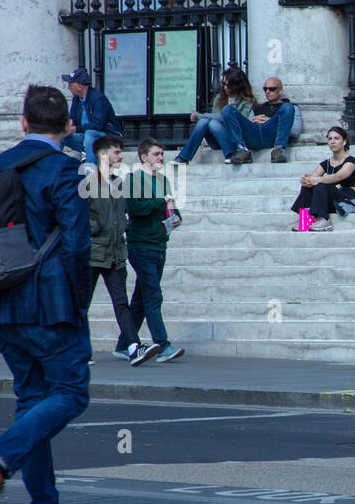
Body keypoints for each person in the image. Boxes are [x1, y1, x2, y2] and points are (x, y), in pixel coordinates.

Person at [0, 85, 91, 504]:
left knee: (33, 400)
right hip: (50, 303)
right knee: (72, 393)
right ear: (69, 126)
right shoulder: (65, 169)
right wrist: (79, 299)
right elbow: (77, 243)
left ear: (22, 123)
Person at [81, 135, 161, 366]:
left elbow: (127, 211)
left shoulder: (119, 184)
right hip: (93, 254)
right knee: (82, 304)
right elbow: (77, 217)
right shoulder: (87, 185)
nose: (121, 156)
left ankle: (134, 347)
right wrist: (94, 228)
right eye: (116, 152)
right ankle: (81, 350)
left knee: (121, 303)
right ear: (103, 155)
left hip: (116, 253)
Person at [122, 137, 184, 362]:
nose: (161, 157)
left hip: (159, 243)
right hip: (141, 245)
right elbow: (134, 207)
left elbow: (170, 206)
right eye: (156, 154)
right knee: (153, 295)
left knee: (141, 296)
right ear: (144, 157)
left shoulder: (163, 180)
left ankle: (123, 344)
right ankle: (163, 344)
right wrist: (160, 202)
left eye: (162, 154)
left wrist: (176, 217)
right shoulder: (133, 179)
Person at [175, 67, 254, 165]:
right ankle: (183, 157)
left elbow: (242, 121)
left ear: (236, 85)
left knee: (211, 122)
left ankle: (230, 154)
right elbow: (214, 117)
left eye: (228, 84)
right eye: (224, 84)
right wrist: (201, 117)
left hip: (234, 139)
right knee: (205, 122)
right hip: (217, 139)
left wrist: (203, 116)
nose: (225, 87)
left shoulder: (246, 101)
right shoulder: (219, 99)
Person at [290, 126, 355, 232]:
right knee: (310, 185)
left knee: (320, 184)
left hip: (346, 200)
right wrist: (307, 180)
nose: (332, 141)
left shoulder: (351, 161)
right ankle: (305, 220)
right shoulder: (326, 163)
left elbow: (338, 176)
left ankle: (324, 219)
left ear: (344, 141)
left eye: (336, 138)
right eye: (330, 139)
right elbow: (313, 177)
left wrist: (317, 180)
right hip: (331, 200)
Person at [222, 75, 298, 164]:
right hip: (254, 134)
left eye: (272, 89)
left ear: (280, 91)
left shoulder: (290, 107)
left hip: (272, 134)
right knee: (227, 110)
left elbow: (296, 131)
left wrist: (271, 120)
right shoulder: (257, 107)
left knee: (288, 107)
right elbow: (245, 126)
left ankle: (278, 149)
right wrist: (253, 121)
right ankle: (242, 149)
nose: (268, 92)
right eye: (265, 89)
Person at [60, 67, 122, 163]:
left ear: (79, 86)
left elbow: (97, 125)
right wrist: (67, 127)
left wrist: (76, 129)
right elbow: (72, 120)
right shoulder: (76, 99)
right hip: (87, 141)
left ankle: (90, 171)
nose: (68, 87)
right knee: (61, 135)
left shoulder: (98, 99)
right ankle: (52, 166)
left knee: (90, 133)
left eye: (70, 84)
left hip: (109, 138)